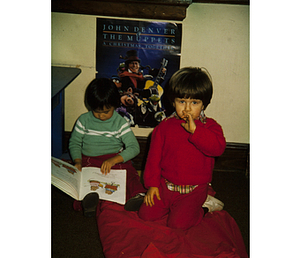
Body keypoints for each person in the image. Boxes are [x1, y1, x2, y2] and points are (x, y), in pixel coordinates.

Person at [125, 67, 226, 230]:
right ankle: (171, 206)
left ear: (204, 104)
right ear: (173, 101)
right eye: (182, 101)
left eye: (194, 102)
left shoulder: (210, 127)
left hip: (194, 189)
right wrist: (152, 185)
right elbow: (154, 158)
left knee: (177, 224)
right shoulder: (164, 127)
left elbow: (217, 148)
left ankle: (204, 207)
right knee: (146, 215)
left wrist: (196, 132)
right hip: (167, 185)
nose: (187, 108)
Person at [69, 78, 146, 217]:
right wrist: (78, 161)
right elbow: (74, 143)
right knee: (81, 179)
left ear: (115, 105)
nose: (101, 116)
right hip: (89, 161)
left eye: (106, 111)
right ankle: (88, 203)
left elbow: (134, 147)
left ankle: (137, 197)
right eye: (97, 112)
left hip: (113, 160)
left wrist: (114, 160)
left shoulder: (120, 122)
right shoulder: (83, 120)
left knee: (130, 173)